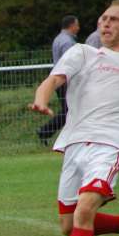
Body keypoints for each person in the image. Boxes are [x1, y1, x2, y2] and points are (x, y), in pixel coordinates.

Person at [29, 0, 119, 236]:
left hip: (110, 146)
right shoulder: (82, 53)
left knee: (84, 211)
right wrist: (41, 99)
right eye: (104, 18)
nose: (106, 23)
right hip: (75, 144)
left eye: (114, 19)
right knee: (69, 225)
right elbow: (52, 80)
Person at [37, 15, 80, 145]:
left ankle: (46, 131)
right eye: (77, 25)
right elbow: (71, 63)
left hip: (59, 79)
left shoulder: (58, 39)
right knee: (71, 111)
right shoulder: (68, 42)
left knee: (68, 111)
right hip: (65, 80)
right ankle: (48, 132)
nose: (78, 27)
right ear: (71, 25)